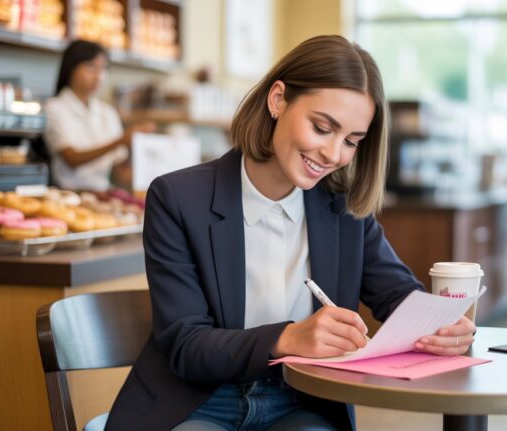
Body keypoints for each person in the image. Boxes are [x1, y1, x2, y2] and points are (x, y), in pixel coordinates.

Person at [105, 35, 476, 431]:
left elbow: (398, 295)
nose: (334, 154)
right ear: (278, 99)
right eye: (322, 128)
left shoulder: (343, 208)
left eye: (351, 141)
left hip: (301, 400)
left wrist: (439, 326)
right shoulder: (178, 198)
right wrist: (287, 339)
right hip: (198, 401)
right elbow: (185, 344)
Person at [44, 40, 155, 191]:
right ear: (71, 68)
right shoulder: (54, 108)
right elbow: (71, 158)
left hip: (103, 193)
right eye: (90, 67)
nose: (98, 76)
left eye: (103, 69)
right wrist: (121, 140)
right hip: (67, 193)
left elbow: (122, 175)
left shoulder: (108, 113)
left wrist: (138, 147)